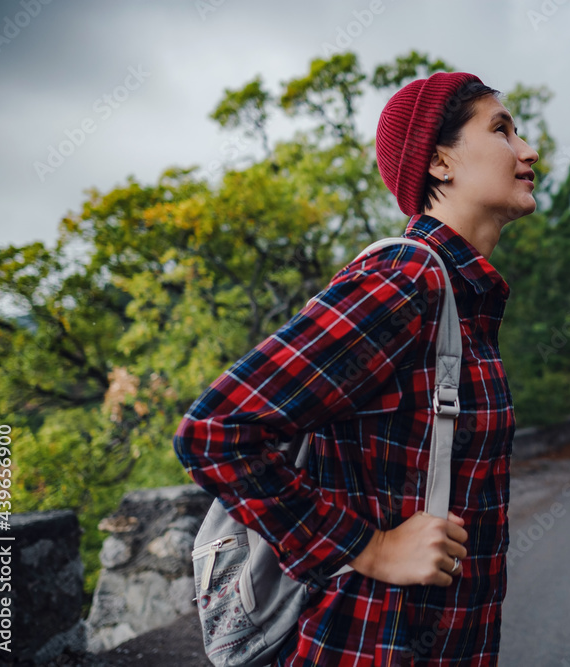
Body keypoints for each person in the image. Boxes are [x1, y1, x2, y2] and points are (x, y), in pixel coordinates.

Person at [172, 70, 539, 665]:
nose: (528, 149)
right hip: (366, 647)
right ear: (440, 162)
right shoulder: (406, 280)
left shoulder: (460, 297)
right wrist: (371, 548)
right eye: (502, 130)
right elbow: (215, 432)